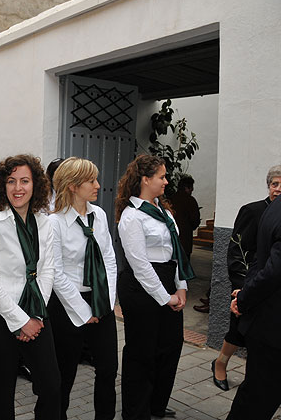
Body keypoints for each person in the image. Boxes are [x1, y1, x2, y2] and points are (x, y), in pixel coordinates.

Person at [0, 154, 60, 419]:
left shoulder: (45, 222)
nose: (18, 188)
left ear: (36, 184)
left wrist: (34, 315)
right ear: (2, 185)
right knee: (2, 391)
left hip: (36, 313)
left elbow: (47, 270)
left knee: (51, 385)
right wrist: (19, 320)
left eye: (25, 181)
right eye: (11, 181)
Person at [115, 154, 193, 419]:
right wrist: (165, 297)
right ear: (146, 180)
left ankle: (156, 405)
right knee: (142, 352)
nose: (166, 181)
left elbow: (176, 252)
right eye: (161, 176)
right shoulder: (132, 216)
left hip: (168, 278)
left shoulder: (164, 211)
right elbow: (139, 265)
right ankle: (137, 411)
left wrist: (181, 287)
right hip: (141, 288)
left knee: (171, 346)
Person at [48, 157, 118, 420]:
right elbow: (55, 272)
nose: (98, 185)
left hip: (101, 301)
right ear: (73, 186)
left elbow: (109, 258)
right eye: (91, 181)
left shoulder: (98, 215)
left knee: (108, 369)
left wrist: (107, 301)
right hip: (67, 306)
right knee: (64, 375)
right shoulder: (53, 223)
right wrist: (83, 310)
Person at [211, 165, 281, 391]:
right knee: (238, 329)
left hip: (269, 289)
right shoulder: (253, 210)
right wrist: (241, 286)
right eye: (274, 184)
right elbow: (237, 249)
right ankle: (220, 363)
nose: (278, 189)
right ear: (268, 186)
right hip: (248, 285)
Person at [227, 194, 281, 419]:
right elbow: (273, 270)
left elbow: (262, 258)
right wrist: (245, 298)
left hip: (266, 323)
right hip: (273, 327)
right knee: (258, 399)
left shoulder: (275, 205)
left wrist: (245, 295)